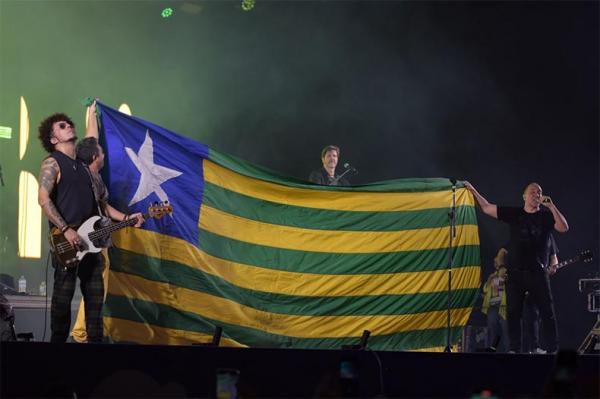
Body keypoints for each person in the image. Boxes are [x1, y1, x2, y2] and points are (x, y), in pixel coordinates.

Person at [37, 101, 143, 343]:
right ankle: (55, 354)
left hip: (91, 243)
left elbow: (92, 141)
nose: (68, 126)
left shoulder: (85, 169)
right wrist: (65, 230)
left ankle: (94, 357)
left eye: (69, 123)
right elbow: (43, 199)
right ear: (53, 139)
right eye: (62, 126)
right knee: (62, 302)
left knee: (95, 305)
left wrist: (127, 218)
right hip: (66, 243)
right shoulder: (52, 163)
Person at [465, 181, 568, 353]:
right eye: (532, 191)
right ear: (524, 196)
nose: (536, 194)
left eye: (539, 192)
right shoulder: (514, 214)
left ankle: (552, 350)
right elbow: (486, 208)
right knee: (513, 313)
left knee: (546, 312)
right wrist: (473, 189)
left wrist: (552, 206)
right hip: (515, 274)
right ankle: (514, 350)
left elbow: (563, 227)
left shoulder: (546, 217)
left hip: (537, 273)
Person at [481, 248, 509, 352]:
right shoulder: (492, 276)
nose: (495, 262)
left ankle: (508, 351)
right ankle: (494, 350)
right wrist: (489, 282)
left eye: (497, 260)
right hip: (493, 306)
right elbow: (485, 289)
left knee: (506, 330)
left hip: (504, 306)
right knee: (493, 328)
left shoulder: (506, 273)